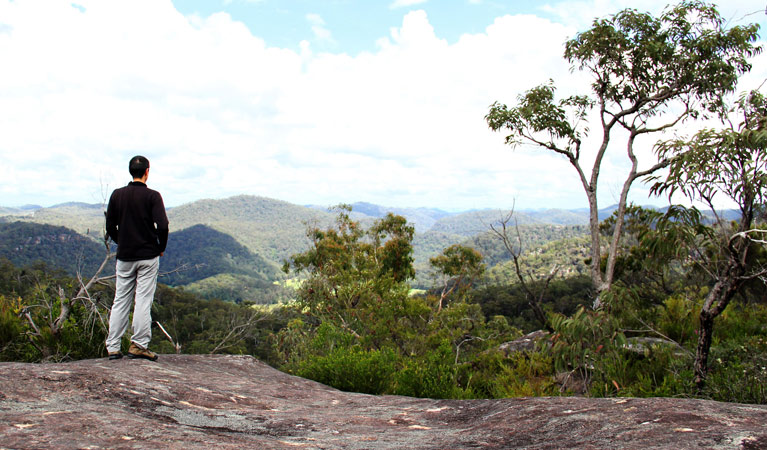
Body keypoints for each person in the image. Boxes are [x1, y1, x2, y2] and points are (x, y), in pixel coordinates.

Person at [104, 155, 169, 361]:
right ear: (147, 172)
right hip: (148, 255)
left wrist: (121, 241)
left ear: (131, 171)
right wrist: (161, 247)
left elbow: (110, 226)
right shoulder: (153, 196)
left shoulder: (117, 195)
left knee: (121, 299)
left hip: (125, 256)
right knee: (142, 300)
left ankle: (113, 346)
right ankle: (139, 345)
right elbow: (163, 225)